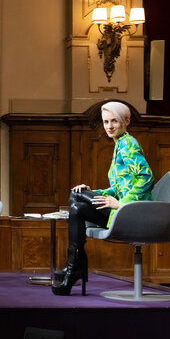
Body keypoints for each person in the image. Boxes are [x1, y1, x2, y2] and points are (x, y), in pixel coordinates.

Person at [52, 101, 154, 296]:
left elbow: (146, 177)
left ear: (127, 121)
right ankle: (74, 267)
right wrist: (95, 191)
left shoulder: (128, 144)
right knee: (77, 208)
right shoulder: (119, 146)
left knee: (76, 196)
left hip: (134, 213)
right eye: (106, 122)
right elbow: (117, 188)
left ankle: (74, 268)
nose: (109, 126)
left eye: (114, 121)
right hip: (123, 211)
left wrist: (122, 203)